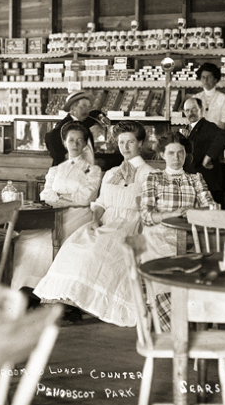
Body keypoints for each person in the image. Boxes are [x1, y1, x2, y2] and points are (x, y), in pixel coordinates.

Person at [33, 121, 155, 327]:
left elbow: (149, 209)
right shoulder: (111, 173)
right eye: (121, 142)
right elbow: (101, 203)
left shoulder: (149, 174)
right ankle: (71, 301)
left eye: (130, 142)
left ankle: (89, 303)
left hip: (131, 225)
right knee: (73, 246)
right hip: (105, 221)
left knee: (97, 251)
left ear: (140, 144)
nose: (125, 147)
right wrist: (95, 220)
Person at [11, 121, 102, 292]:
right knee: (24, 239)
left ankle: (45, 291)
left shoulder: (93, 170)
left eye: (79, 140)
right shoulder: (57, 169)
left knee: (44, 243)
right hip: (53, 215)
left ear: (85, 143)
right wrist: (67, 197)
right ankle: (24, 289)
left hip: (80, 215)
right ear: (64, 143)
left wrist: (59, 196)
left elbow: (85, 198)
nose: (75, 144)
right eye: (71, 140)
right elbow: (45, 195)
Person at [140, 133, 216, 262]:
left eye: (180, 153)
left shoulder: (195, 179)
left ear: (186, 154)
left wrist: (194, 212)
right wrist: (172, 214)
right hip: (157, 238)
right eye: (171, 153)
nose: (176, 158)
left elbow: (211, 208)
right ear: (162, 155)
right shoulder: (153, 177)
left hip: (188, 238)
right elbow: (146, 217)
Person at [179, 97, 225, 205]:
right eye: (187, 110)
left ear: (201, 109)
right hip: (194, 181)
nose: (190, 113)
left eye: (194, 109)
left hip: (208, 182)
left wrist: (208, 157)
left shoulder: (207, 126)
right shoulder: (188, 128)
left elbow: (224, 136)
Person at [44, 90, 93, 166]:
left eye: (88, 107)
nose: (87, 110)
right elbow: (50, 137)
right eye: (83, 106)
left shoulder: (84, 123)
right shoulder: (65, 125)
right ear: (73, 108)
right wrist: (61, 157)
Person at [193, 62, 225, 130]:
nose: (206, 80)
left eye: (209, 77)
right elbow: (193, 121)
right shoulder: (195, 98)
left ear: (215, 79)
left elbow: (224, 122)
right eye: (203, 77)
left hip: (218, 136)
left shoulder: (224, 98)